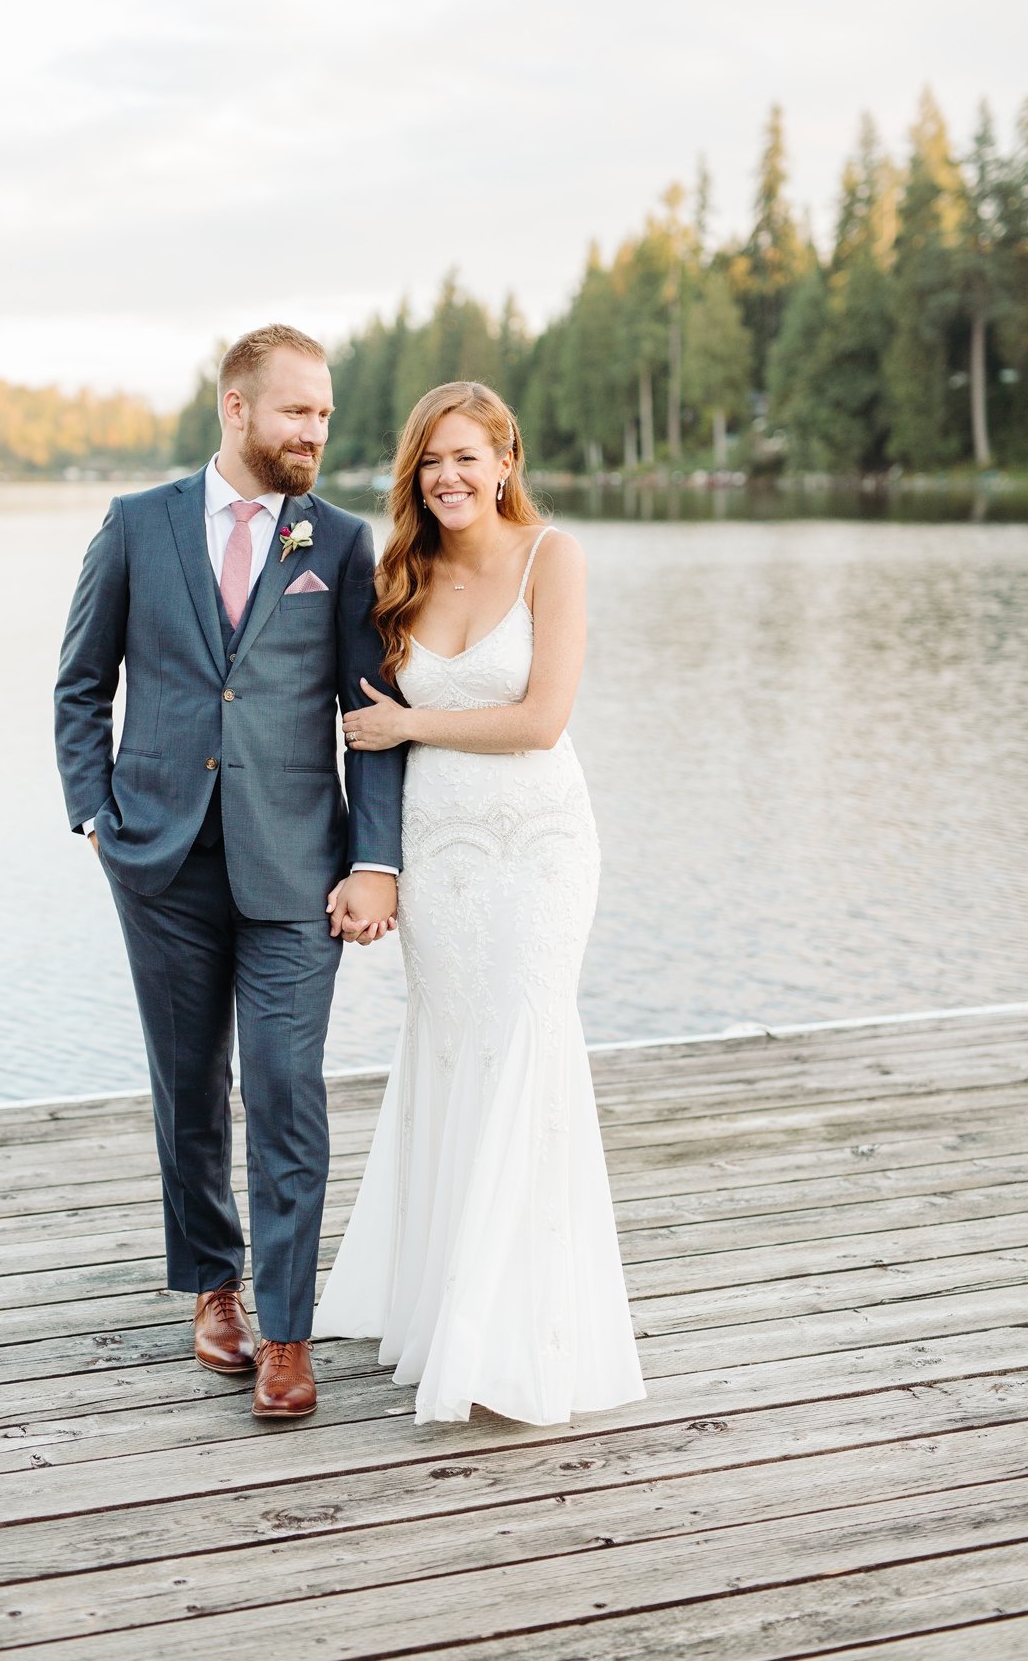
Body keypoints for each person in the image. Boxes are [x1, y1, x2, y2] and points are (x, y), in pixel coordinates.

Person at [54, 324, 404, 1420]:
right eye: (297, 411)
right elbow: (79, 687)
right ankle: (216, 1287)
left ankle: (289, 1333)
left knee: (289, 1093)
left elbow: (374, 724)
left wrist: (376, 860)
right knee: (190, 1088)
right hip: (158, 859)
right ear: (238, 409)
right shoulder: (136, 526)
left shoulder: (342, 544)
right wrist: (97, 820)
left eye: (327, 414)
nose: (316, 432)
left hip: (299, 866)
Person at [313, 380, 646, 1425]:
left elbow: (543, 718)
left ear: (506, 459)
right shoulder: (398, 575)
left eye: (467, 457)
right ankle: (448, 1311)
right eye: (430, 461)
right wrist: (376, 858)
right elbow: (351, 712)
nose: (448, 477)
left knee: (525, 1042)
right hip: (440, 851)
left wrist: (411, 729)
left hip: (540, 842)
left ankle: (522, 1336)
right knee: (454, 1048)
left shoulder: (556, 558)